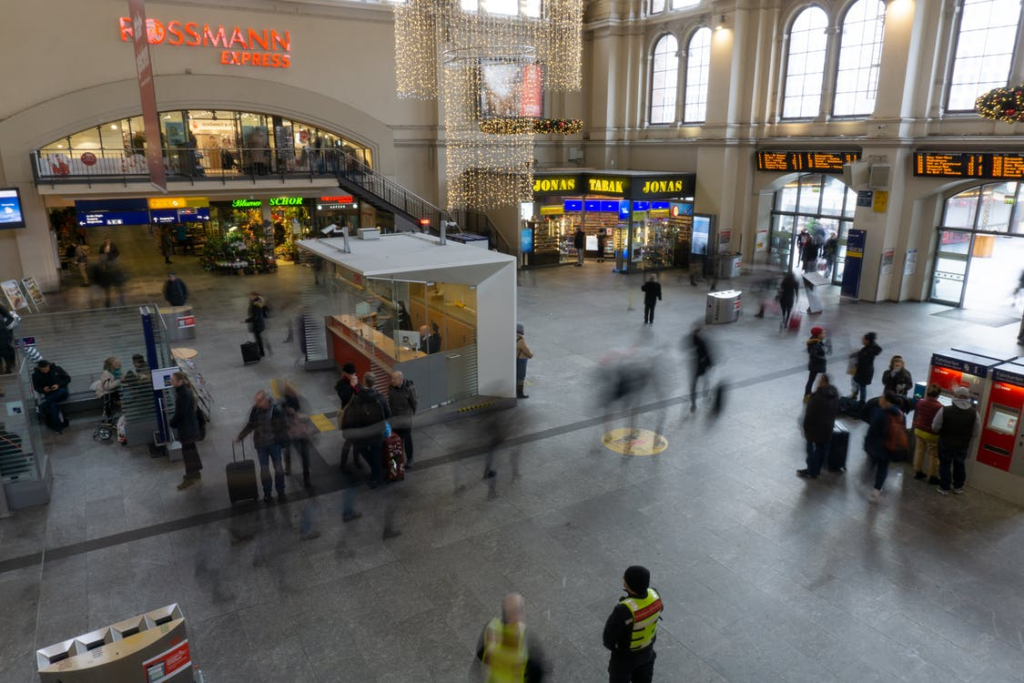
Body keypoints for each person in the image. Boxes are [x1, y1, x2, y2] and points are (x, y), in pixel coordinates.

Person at [603, 565, 663, 683]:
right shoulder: (655, 594)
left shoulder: (623, 610)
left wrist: (616, 649)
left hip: (625, 658)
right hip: (647, 653)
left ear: (628, 585)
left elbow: (608, 639)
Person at [475, 593, 548, 682]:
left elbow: (481, 656)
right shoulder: (526, 639)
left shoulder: (491, 628)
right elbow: (537, 673)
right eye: (520, 611)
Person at [235, 389, 288, 503]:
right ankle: (267, 494)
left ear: (265, 399)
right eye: (256, 401)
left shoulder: (275, 410)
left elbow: (283, 426)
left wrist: (283, 442)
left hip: (274, 444)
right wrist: (240, 436)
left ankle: (281, 492)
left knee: (278, 469)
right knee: (264, 470)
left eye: (259, 401)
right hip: (261, 446)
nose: (257, 404)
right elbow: (250, 425)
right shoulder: (256, 410)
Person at [341, 373, 390, 488]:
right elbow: (388, 414)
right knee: (376, 452)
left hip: (363, 432)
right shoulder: (381, 397)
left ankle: (375, 469)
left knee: (361, 448)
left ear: (364, 381)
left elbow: (352, 417)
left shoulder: (357, 398)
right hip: (377, 431)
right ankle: (375, 477)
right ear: (375, 382)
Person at [932, 386, 981, 495]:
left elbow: (935, 426)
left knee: (945, 464)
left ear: (955, 396)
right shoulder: (974, 413)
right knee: (960, 464)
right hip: (963, 444)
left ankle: (944, 488)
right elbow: (976, 432)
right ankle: (958, 487)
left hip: (945, 442)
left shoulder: (944, 410)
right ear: (967, 397)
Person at [865, 390, 906, 503]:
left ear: (886, 401)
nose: (880, 399)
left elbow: (872, 431)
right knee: (883, 468)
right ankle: (877, 490)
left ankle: (870, 479)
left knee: (874, 463)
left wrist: (867, 444)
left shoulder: (880, 414)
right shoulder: (901, 414)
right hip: (890, 447)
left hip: (878, 446)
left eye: (882, 397)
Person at [798, 374, 839, 479]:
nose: (818, 382)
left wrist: (805, 427)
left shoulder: (817, 397)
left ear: (824, 382)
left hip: (814, 429)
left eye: (820, 380)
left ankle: (811, 470)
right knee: (821, 449)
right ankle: (816, 470)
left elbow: (810, 414)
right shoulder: (835, 395)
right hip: (827, 428)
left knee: (810, 448)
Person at [169, 372, 203, 490]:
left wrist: (172, 422)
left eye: (173, 380)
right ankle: (196, 473)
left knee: (188, 454)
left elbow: (180, 414)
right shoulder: (184, 392)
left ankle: (190, 478)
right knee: (192, 450)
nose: (171, 382)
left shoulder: (183, 394)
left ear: (179, 381)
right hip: (190, 427)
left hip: (187, 429)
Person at [912, 383, 944, 485]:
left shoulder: (920, 402)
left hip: (919, 430)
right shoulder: (940, 407)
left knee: (919, 451)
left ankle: (918, 472)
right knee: (933, 456)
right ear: (938, 395)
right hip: (931, 434)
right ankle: (932, 477)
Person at [282, 383, 312, 488]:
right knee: (287, 450)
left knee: (305, 455)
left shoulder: (301, 400)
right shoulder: (283, 404)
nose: (293, 393)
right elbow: (282, 421)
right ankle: (288, 467)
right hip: (290, 433)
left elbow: (308, 415)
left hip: (302, 432)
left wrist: (297, 415)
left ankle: (306, 477)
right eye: (290, 391)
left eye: (293, 391)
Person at [388, 371, 418, 469]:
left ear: (401, 380)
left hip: (405, 419)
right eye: (391, 378)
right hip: (395, 418)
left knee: (407, 439)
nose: (391, 381)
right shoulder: (391, 387)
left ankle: (410, 459)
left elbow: (414, 402)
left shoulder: (409, 388)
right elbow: (390, 402)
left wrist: (410, 415)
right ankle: (399, 459)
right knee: (397, 440)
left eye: (394, 379)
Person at [32, 360, 71, 434]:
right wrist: (43, 389)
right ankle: (58, 428)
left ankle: (43, 405)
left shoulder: (57, 369)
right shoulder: (35, 375)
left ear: (48, 366)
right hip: (50, 395)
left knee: (62, 391)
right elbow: (36, 387)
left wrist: (58, 385)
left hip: (61, 392)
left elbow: (67, 378)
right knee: (53, 405)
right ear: (39, 368)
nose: (45, 371)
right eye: (43, 370)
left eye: (46, 369)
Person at [335, 362, 360, 470]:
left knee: (358, 440)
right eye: (351, 374)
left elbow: (361, 394)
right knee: (349, 440)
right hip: (348, 416)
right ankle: (343, 464)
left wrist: (356, 386)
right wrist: (352, 386)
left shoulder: (356, 381)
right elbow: (344, 397)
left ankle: (356, 460)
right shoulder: (341, 384)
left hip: (358, 415)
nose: (353, 375)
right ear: (345, 373)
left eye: (354, 373)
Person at [850, 332, 882, 403]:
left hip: (864, 372)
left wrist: (856, 365)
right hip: (866, 371)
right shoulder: (869, 348)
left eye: (863, 339)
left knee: (862, 387)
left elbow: (863, 361)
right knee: (859, 385)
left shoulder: (868, 351)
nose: (862, 340)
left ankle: (862, 401)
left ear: (868, 340)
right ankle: (855, 397)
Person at [688, 324, 713, 413]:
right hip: (700, 366)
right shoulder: (699, 340)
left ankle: (694, 403)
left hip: (699, 366)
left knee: (696, 385)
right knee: (703, 382)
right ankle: (703, 397)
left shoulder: (696, 339)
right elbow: (707, 353)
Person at [803, 326, 830, 401]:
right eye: (823, 333)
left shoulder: (817, 342)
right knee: (813, 380)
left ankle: (808, 393)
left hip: (816, 365)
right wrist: (823, 358)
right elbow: (813, 354)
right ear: (818, 335)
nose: (824, 334)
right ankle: (807, 395)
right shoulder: (816, 344)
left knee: (811, 380)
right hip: (816, 365)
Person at [244, 291, 269, 357]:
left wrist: (246, 320)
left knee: (258, 338)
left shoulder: (256, 303)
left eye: (250, 296)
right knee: (258, 338)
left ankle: (261, 352)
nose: (249, 297)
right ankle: (261, 351)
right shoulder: (257, 302)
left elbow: (256, 316)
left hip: (257, 323)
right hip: (258, 322)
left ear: (254, 296)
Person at [516, 323, 533, 399]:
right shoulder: (520, 340)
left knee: (516, 375)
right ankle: (520, 393)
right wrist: (531, 355)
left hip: (515, 358)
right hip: (521, 359)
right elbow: (527, 351)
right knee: (521, 376)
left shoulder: (513, 337)